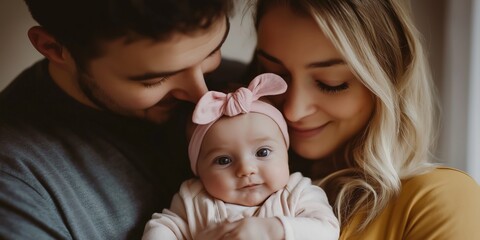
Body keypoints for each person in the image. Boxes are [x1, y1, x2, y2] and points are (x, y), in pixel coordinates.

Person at [203, 0, 480, 239]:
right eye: (275, 75)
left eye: (330, 83)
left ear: (389, 82)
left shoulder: (437, 201)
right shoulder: (213, 178)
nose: (293, 111)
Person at [0, 0, 244, 239]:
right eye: (154, 80)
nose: (204, 98)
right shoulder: (16, 180)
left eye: (212, 52)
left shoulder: (240, 83)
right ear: (54, 48)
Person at [142, 73, 339, 240]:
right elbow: (164, 227)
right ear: (198, 169)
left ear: (285, 154)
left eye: (262, 152)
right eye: (223, 160)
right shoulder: (194, 199)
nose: (246, 169)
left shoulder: (297, 194)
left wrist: (274, 229)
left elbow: (327, 230)